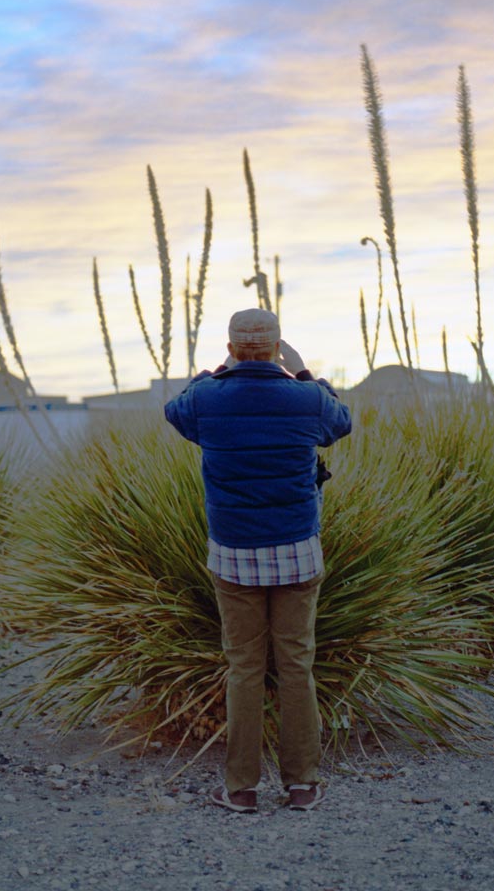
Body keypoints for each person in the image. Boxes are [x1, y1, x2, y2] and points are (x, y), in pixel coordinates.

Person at [164, 307, 352, 812]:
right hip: (296, 550)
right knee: (296, 666)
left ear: (229, 350)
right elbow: (342, 421)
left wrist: (217, 371)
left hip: (234, 555)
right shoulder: (307, 399)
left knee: (243, 668)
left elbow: (175, 408)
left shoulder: (206, 399)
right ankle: (303, 785)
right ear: (277, 349)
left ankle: (241, 789)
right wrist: (304, 371)